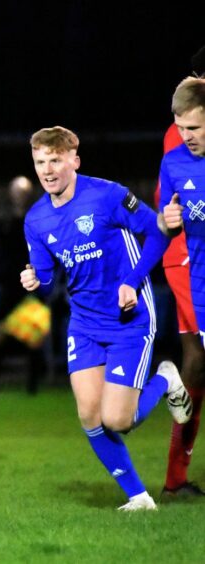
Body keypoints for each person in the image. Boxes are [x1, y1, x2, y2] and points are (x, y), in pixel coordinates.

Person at [21, 126, 192, 511]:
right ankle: (139, 498)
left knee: (118, 420)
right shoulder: (35, 220)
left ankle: (165, 378)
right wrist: (35, 280)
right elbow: (48, 281)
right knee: (89, 415)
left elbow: (158, 233)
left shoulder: (107, 195)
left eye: (55, 160)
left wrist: (132, 282)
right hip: (83, 323)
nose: (47, 170)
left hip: (127, 317)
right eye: (40, 162)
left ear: (74, 161)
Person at [155, 46, 205, 500]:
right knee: (197, 358)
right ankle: (174, 476)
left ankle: (175, 477)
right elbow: (167, 207)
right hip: (187, 255)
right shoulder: (183, 136)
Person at [0, 176, 46, 395]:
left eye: (23, 192)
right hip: (9, 284)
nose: (20, 196)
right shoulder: (5, 222)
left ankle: (32, 388)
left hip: (31, 284)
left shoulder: (37, 219)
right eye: (16, 191)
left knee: (34, 337)